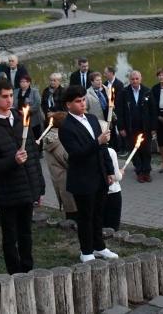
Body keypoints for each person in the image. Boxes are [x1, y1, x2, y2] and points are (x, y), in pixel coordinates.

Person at [0, 78, 46, 274]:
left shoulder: (20, 121)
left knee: (26, 233)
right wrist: (12, 160)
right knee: (11, 235)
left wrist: (38, 188)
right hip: (6, 194)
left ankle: (28, 268)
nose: (9, 100)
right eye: (4, 97)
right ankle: (15, 273)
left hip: (26, 190)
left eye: (11, 96)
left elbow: (33, 158)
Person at [58, 84, 118, 262]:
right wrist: (97, 141)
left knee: (99, 214)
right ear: (68, 105)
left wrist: (109, 170)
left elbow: (104, 148)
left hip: (99, 175)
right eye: (78, 101)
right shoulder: (66, 127)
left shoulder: (92, 119)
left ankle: (99, 246)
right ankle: (86, 251)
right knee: (85, 216)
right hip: (82, 178)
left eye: (83, 100)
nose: (82, 104)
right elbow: (76, 154)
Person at [117, 70, 155, 182]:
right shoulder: (123, 93)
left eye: (137, 79)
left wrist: (153, 128)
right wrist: (121, 128)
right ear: (130, 80)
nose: (135, 81)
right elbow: (119, 112)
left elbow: (153, 111)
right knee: (134, 150)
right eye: (132, 79)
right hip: (130, 128)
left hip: (145, 127)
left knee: (146, 150)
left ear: (140, 79)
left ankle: (147, 172)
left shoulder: (147, 91)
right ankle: (139, 171)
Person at [41, 112, 77, 220]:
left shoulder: (50, 137)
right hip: (67, 180)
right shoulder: (58, 140)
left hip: (60, 179)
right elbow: (68, 159)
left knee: (70, 209)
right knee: (73, 210)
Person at [14, 74, 44, 141]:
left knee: (36, 135)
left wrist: (27, 111)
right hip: (19, 116)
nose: (22, 83)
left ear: (29, 83)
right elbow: (13, 103)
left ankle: (39, 149)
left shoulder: (34, 91)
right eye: (21, 81)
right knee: (23, 135)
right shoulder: (16, 91)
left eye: (24, 81)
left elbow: (38, 103)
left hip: (33, 117)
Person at [102, 147, 124, 231]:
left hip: (95, 193)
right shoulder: (110, 151)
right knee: (112, 225)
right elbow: (116, 176)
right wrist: (120, 173)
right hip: (112, 192)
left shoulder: (85, 149)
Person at [103, 66, 125, 152]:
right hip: (108, 111)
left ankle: (124, 148)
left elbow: (120, 98)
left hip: (117, 110)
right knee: (110, 129)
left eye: (106, 73)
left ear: (111, 73)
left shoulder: (119, 84)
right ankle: (115, 147)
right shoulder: (105, 84)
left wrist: (113, 105)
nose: (104, 74)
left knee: (120, 128)